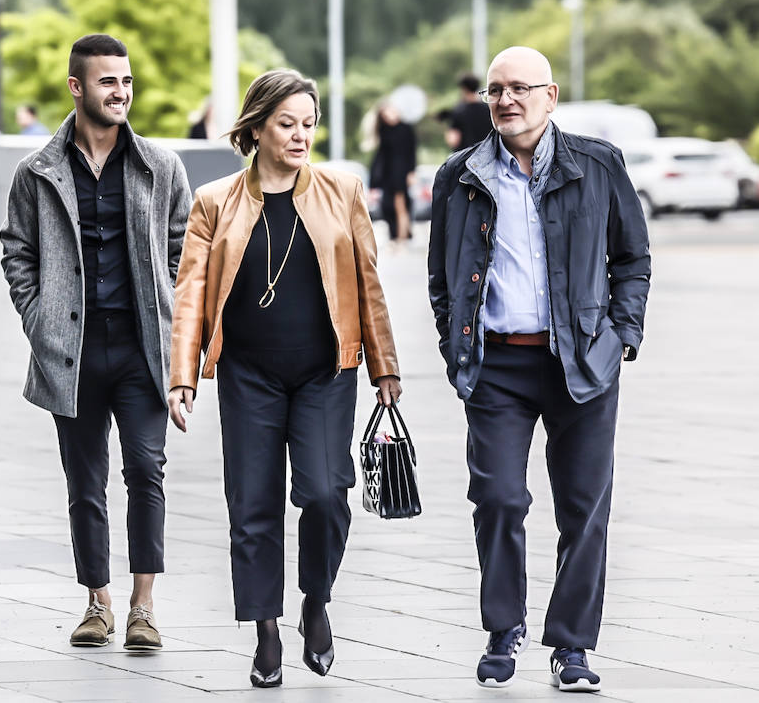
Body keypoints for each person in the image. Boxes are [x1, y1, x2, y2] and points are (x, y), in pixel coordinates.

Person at [168, 69, 402, 687]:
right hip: (248, 374)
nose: (300, 136)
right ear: (257, 127)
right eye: (286, 124)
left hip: (327, 370)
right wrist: (183, 376)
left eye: (309, 123)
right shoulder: (215, 201)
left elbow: (368, 283)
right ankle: (266, 630)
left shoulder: (342, 190)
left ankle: (316, 600)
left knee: (326, 494)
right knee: (252, 504)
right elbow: (191, 292)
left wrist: (385, 366)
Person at [428, 46, 650, 693]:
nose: (506, 99)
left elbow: (632, 259)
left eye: (521, 87)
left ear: (550, 97)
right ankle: (503, 628)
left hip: (581, 363)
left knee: (585, 511)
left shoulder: (598, 164)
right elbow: (442, 278)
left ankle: (573, 648)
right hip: (497, 366)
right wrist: (454, 344)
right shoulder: (460, 174)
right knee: (497, 498)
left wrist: (622, 338)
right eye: (496, 89)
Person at [0, 34, 191, 653]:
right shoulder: (37, 171)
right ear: (77, 87)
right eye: (109, 82)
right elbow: (17, 250)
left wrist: (171, 323)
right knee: (84, 482)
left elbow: (182, 249)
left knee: (146, 470)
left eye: (127, 81)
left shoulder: (161, 166)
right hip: (72, 349)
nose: (122, 92)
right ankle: (96, 603)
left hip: (141, 347)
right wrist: (40, 318)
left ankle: (143, 607)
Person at [370, 100, 417, 243]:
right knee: (389, 206)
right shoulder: (384, 131)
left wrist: (411, 172)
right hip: (388, 173)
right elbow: (381, 156)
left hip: (402, 172)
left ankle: (402, 236)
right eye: (385, 115)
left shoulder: (406, 128)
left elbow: (412, 152)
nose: (389, 117)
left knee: (401, 204)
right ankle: (397, 234)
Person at [445, 72, 494, 150]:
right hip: (487, 154)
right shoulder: (489, 108)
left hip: (465, 157)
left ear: (464, 88)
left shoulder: (458, 111)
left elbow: (453, 140)